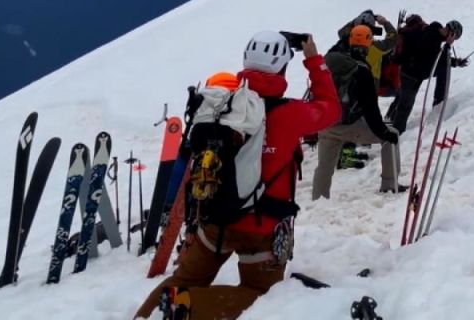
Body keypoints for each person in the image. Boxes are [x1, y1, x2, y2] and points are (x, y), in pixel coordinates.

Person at [135, 31, 338, 320]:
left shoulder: (221, 105)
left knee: (183, 279)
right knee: (261, 295)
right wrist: (314, 59)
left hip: (213, 220)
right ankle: (187, 306)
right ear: (282, 67)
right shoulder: (290, 113)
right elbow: (331, 109)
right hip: (262, 230)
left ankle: (149, 314)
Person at [312, 25, 403, 196]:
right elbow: (371, 111)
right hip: (349, 125)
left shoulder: (332, 61)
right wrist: (384, 132)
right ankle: (390, 185)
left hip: (325, 123)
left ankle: (319, 198)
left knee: (324, 167)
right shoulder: (361, 70)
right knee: (391, 136)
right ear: (368, 43)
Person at [386, 18, 468, 132]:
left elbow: (438, 59)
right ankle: (394, 135)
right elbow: (434, 62)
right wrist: (448, 46)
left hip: (409, 71)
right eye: (454, 37)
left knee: (402, 98)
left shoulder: (433, 32)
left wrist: (455, 62)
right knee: (405, 106)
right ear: (452, 34)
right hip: (412, 75)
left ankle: (389, 119)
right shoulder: (433, 39)